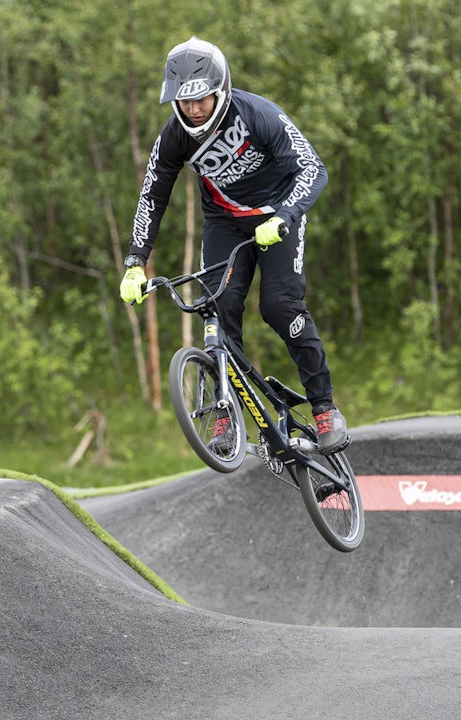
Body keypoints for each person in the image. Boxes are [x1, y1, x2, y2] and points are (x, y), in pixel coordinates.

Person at [119, 36, 349, 454]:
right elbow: (152, 195)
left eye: (201, 99)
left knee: (279, 306)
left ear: (221, 89)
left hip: (278, 215)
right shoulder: (174, 136)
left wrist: (284, 216)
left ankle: (324, 407)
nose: (192, 109)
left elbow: (313, 168)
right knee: (218, 310)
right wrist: (136, 261)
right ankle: (225, 414)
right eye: (184, 101)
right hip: (225, 223)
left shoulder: (259, 115)